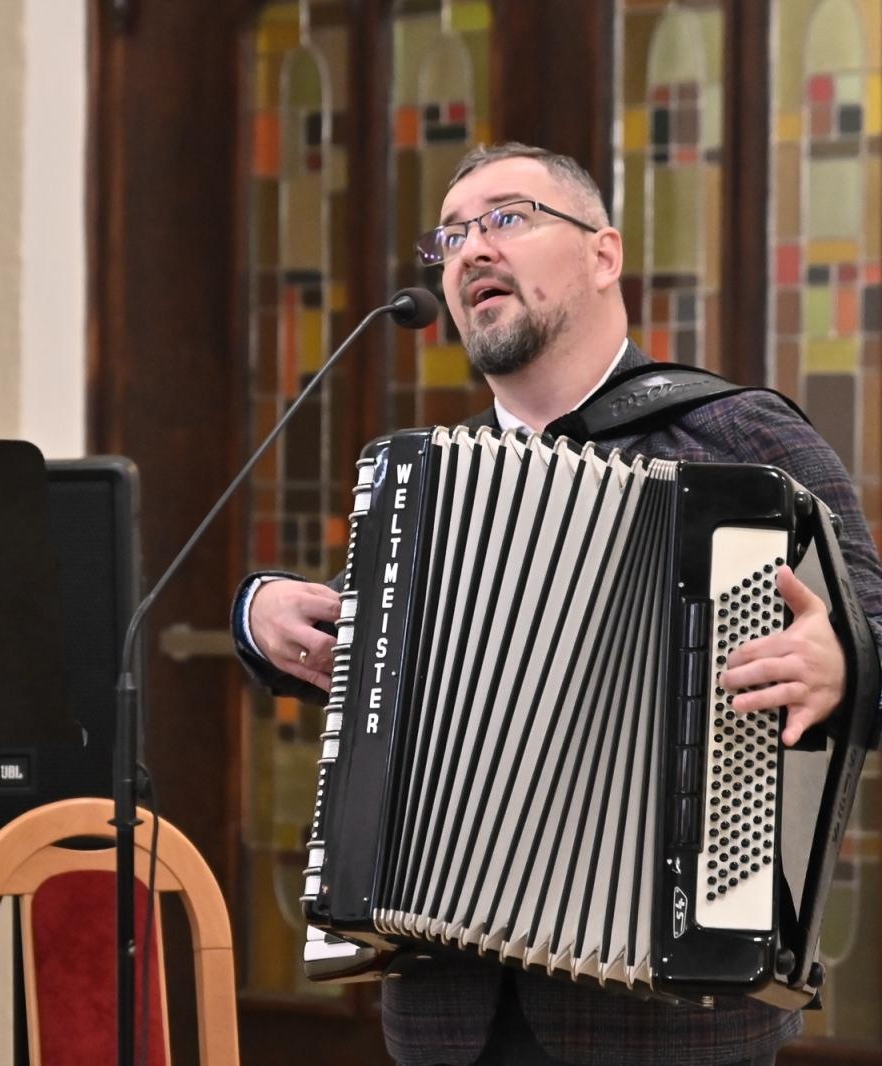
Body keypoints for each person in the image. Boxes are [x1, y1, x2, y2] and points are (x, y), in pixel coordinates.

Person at [232, 142, 882, 1066]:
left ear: (603, 253)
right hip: (452, 1021)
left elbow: (874, 630)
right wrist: (262, 618)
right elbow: (389, 668)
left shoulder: (738, 436)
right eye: (451, 236)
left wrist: (849, 662)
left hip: (669, 1024)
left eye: (507, 218)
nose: (469, 251)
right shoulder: (431, 486)